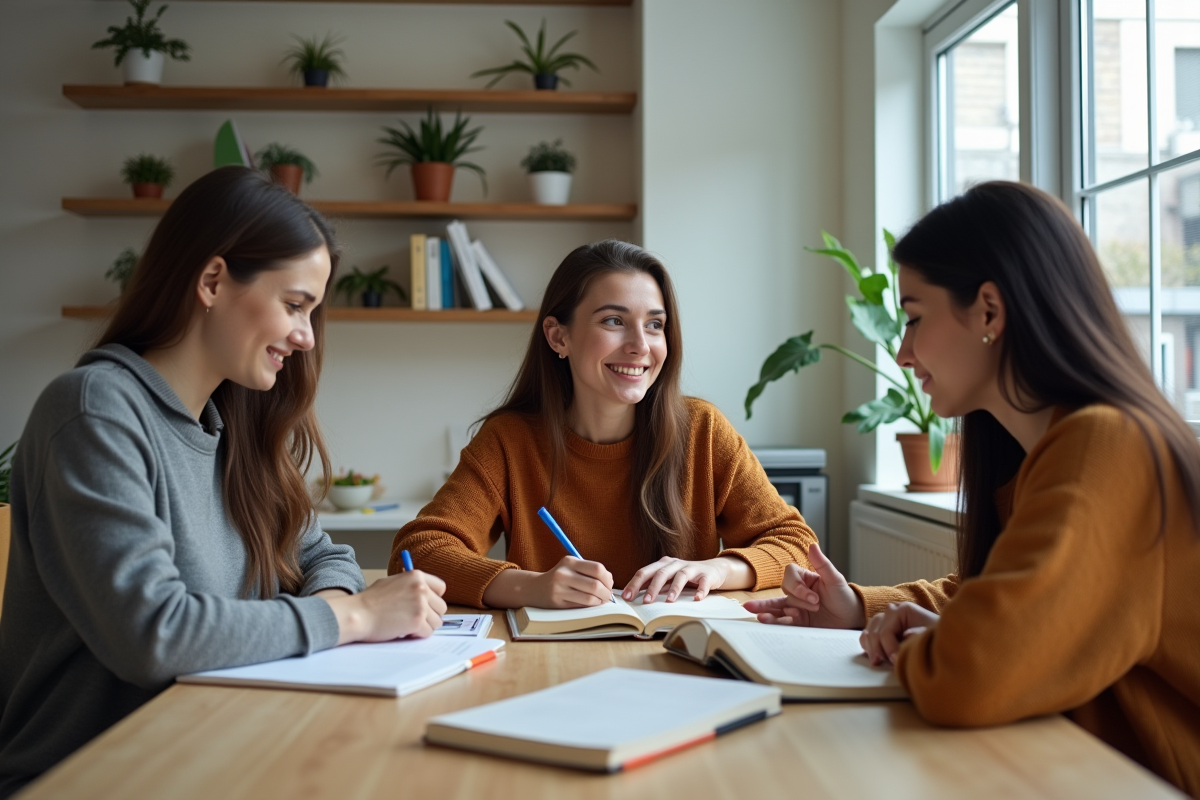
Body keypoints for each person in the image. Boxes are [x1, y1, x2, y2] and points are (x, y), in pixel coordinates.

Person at [0, 167, 446, 797]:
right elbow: (155, 636)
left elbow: (324, 554)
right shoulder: (94, 411)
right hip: (90, 777)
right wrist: (350, 617)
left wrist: (340, 605)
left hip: (217, 748)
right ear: (212, 281)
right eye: (294, 305)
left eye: (312, 312)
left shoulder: (232, 427)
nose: (306, 336)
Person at [745, 181, 1200, 798]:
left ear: (989, 310)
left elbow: (971, 674)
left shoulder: (1107, 445)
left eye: (913, 318)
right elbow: (992, 595)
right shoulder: (1046, 449)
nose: (902, 353)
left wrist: (936, 643)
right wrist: (859, 610)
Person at [390, 240, 816, 609]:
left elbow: (795, 543)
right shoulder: (510, 441)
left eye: (654, 324)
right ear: (559, 337)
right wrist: (530, 586)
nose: (639, 346)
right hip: (547, 664)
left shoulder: (703, 430)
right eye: (614, 321)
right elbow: (418, 551)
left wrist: (718, 569)